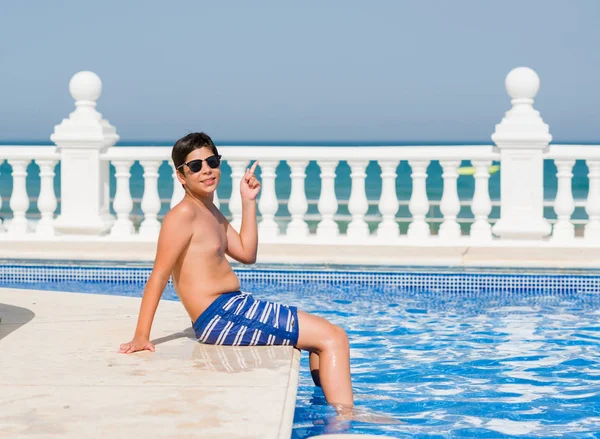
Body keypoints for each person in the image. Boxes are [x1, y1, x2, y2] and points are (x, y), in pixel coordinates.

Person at [119, 132, 354, 409]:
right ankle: (345, 421)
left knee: (322, 340)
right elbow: (159, 275)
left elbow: (246, 253)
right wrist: (141, 335)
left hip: (235, 307)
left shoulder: (211, 212)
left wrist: (248, 201)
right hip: (220, 315)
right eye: (195, 166)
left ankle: (330, 409)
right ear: (181, 176)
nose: (206, 170)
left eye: (212, 161)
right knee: (333, 337)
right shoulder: (183, 216)